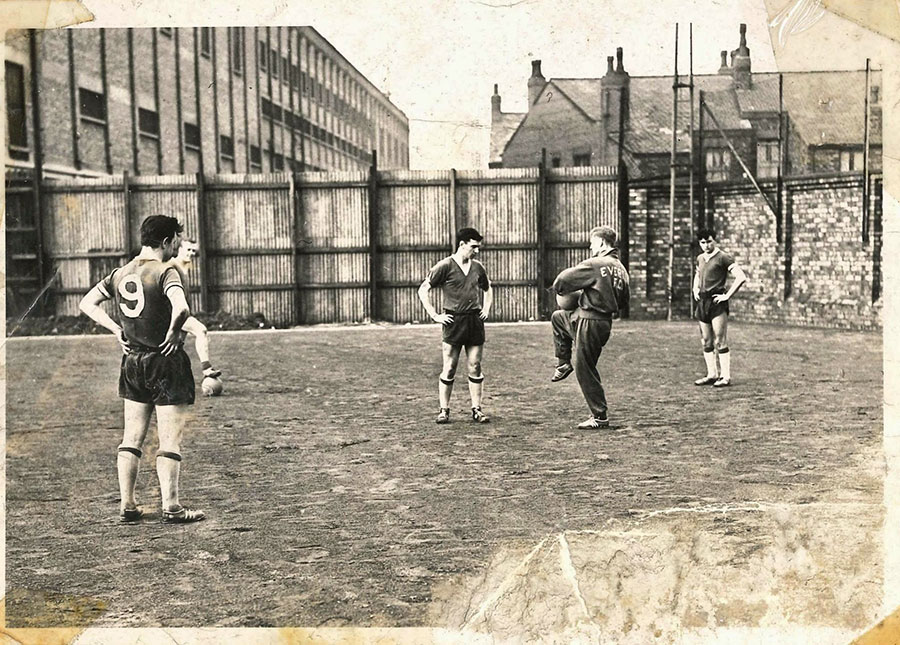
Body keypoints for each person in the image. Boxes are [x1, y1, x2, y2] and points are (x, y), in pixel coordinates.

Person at [79, 215, 206, 524]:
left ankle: (128, 504)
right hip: (165, 361)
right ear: (166, 241)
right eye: (176, 239)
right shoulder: (166, 271)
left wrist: (115, 330)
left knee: (131, 438)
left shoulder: (120, 273)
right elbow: (182, 308)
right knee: (169, 440)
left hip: (133, 362)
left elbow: (87, 303)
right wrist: (176, 331)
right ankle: (172, 507)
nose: (178, 244)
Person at [552, 225, 630, 429]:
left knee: (584, 369)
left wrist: (566, 293)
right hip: (603, 322)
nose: (590, 246)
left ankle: (600, 416)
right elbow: (623, 302)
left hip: (590, 321)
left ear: (602, 243)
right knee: (559, 318)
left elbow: (562, 281)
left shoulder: (595, 263)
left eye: (593, 242)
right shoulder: (622, 269)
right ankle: (562, 363)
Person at [417, 227, 493, 424]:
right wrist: (435, 315)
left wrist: (486, 308)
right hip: (453, 321)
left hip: (474, 321)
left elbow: (488, 288)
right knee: (450, 367)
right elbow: (423, 289)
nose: (476, 251)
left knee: (475, 366)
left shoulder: (478, 267)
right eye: (473, 247)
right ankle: (444, 410)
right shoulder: (444, 266)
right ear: (462, 244)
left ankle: (477, 409)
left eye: (478, 247)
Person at [692, 228, 747, 388]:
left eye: (709, 241)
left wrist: (727, 295)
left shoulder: (723, 257)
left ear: (714, 240)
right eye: (702, 242)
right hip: (703, 302)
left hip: (717, 303)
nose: (706, 245)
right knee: (706, 341)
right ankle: (712, 374)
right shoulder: (700, 258)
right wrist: (695, 288)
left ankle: (725, 376)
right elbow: (697, 274)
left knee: (720, 340)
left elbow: (741, 276)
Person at [170, 239, 221, 381]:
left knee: (175, 348)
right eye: (188, 250)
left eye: (193, 251)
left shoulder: (185, 266)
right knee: (201, 330)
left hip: (183, 312)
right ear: (179, 249)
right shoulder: (171, 265)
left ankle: (170, 379)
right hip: (174, 313)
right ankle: (207, 368)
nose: (191, 253)